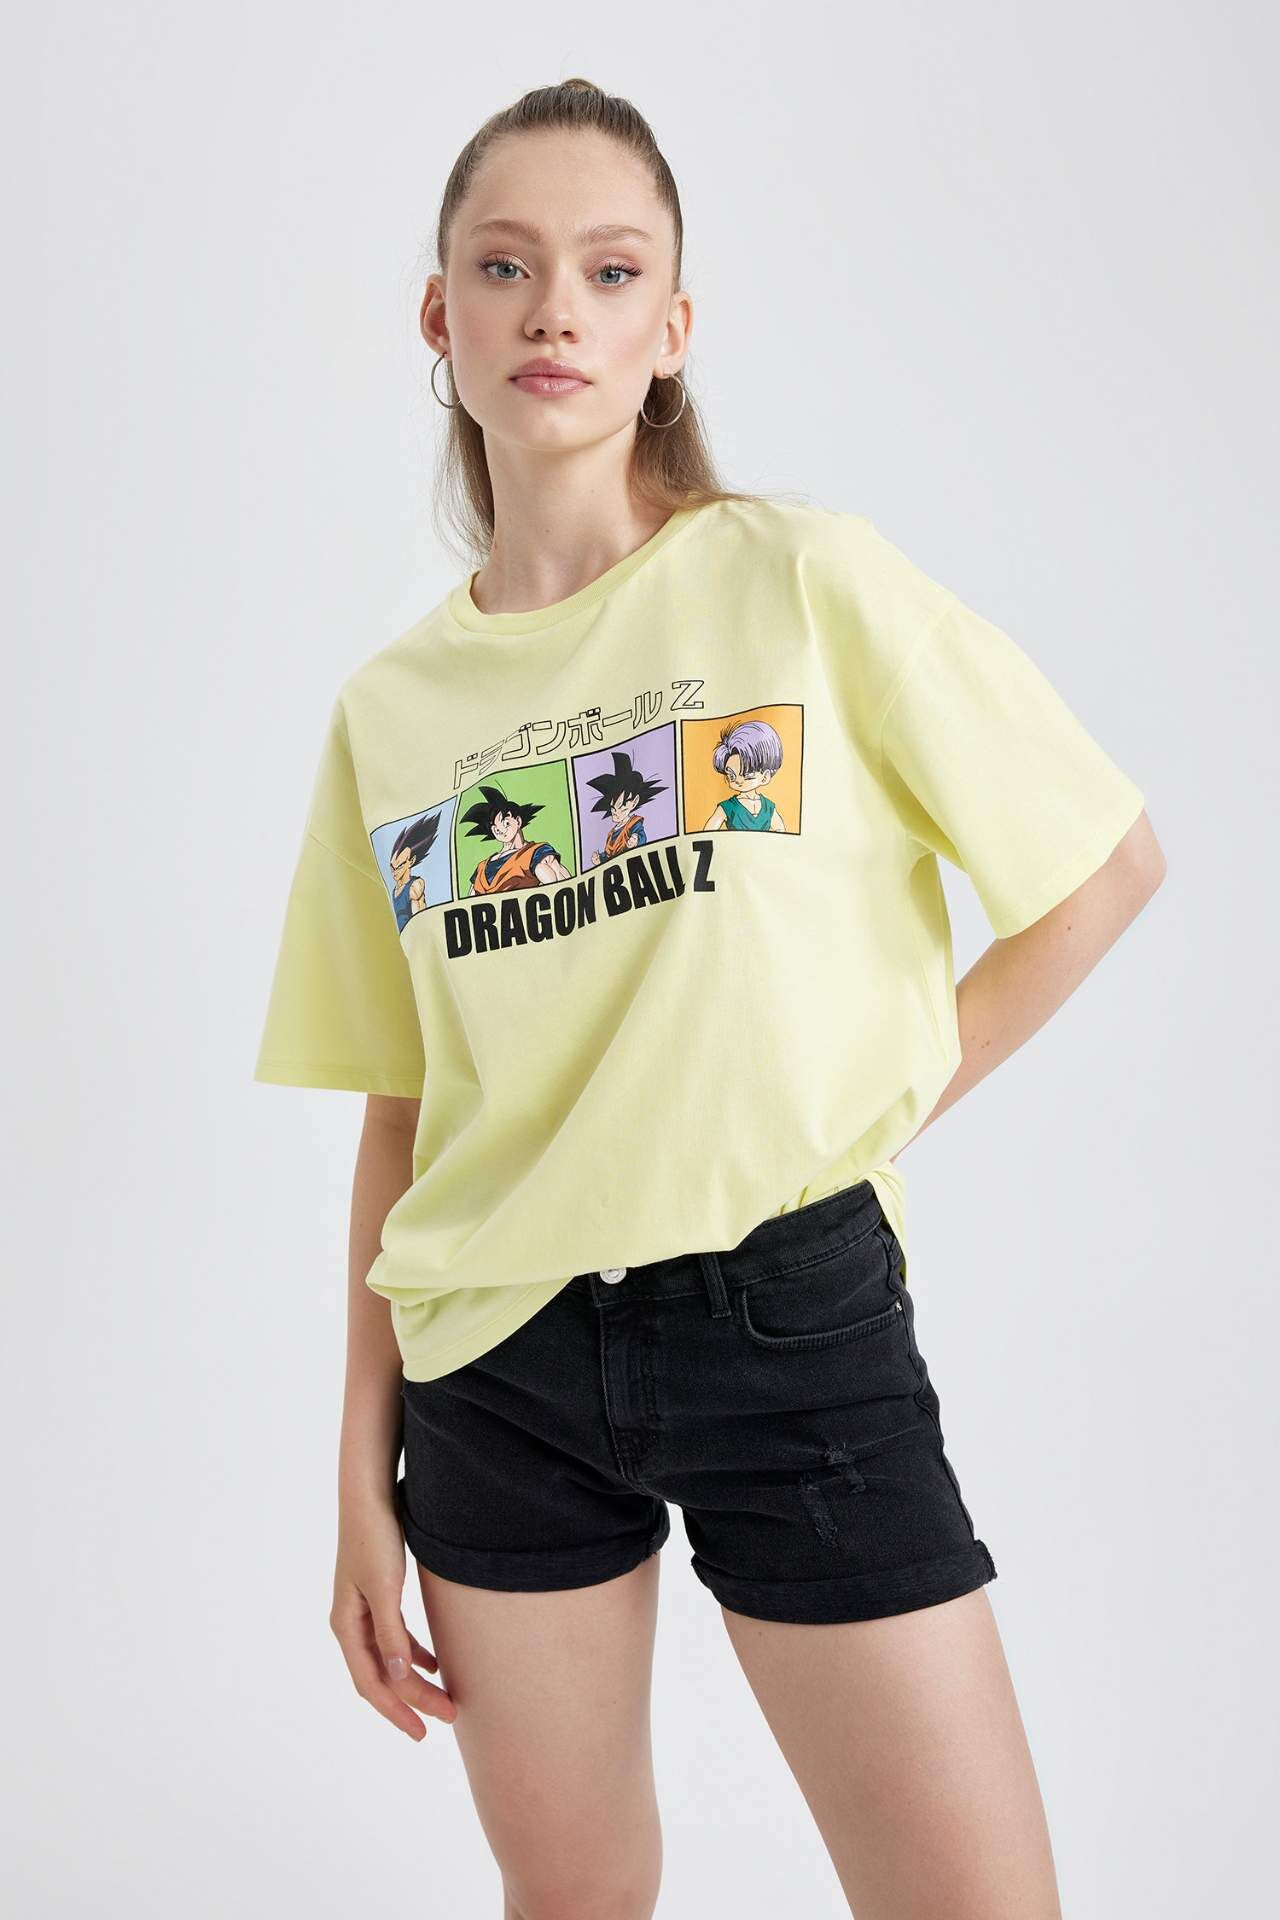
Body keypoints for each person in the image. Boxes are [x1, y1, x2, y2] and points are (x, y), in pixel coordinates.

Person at [252, 76, 1166, 1920]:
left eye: (609, 272)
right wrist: (359, 1469)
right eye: (503, 267)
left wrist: (867, 1103)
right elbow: (403, 1108)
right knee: (574, 1901)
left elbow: (1102, 870)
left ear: (671, 328)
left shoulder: (801, 585)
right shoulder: (391, 714)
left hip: (788, 1318)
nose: (554, 311)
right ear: (440, 315)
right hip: (494, 1366)